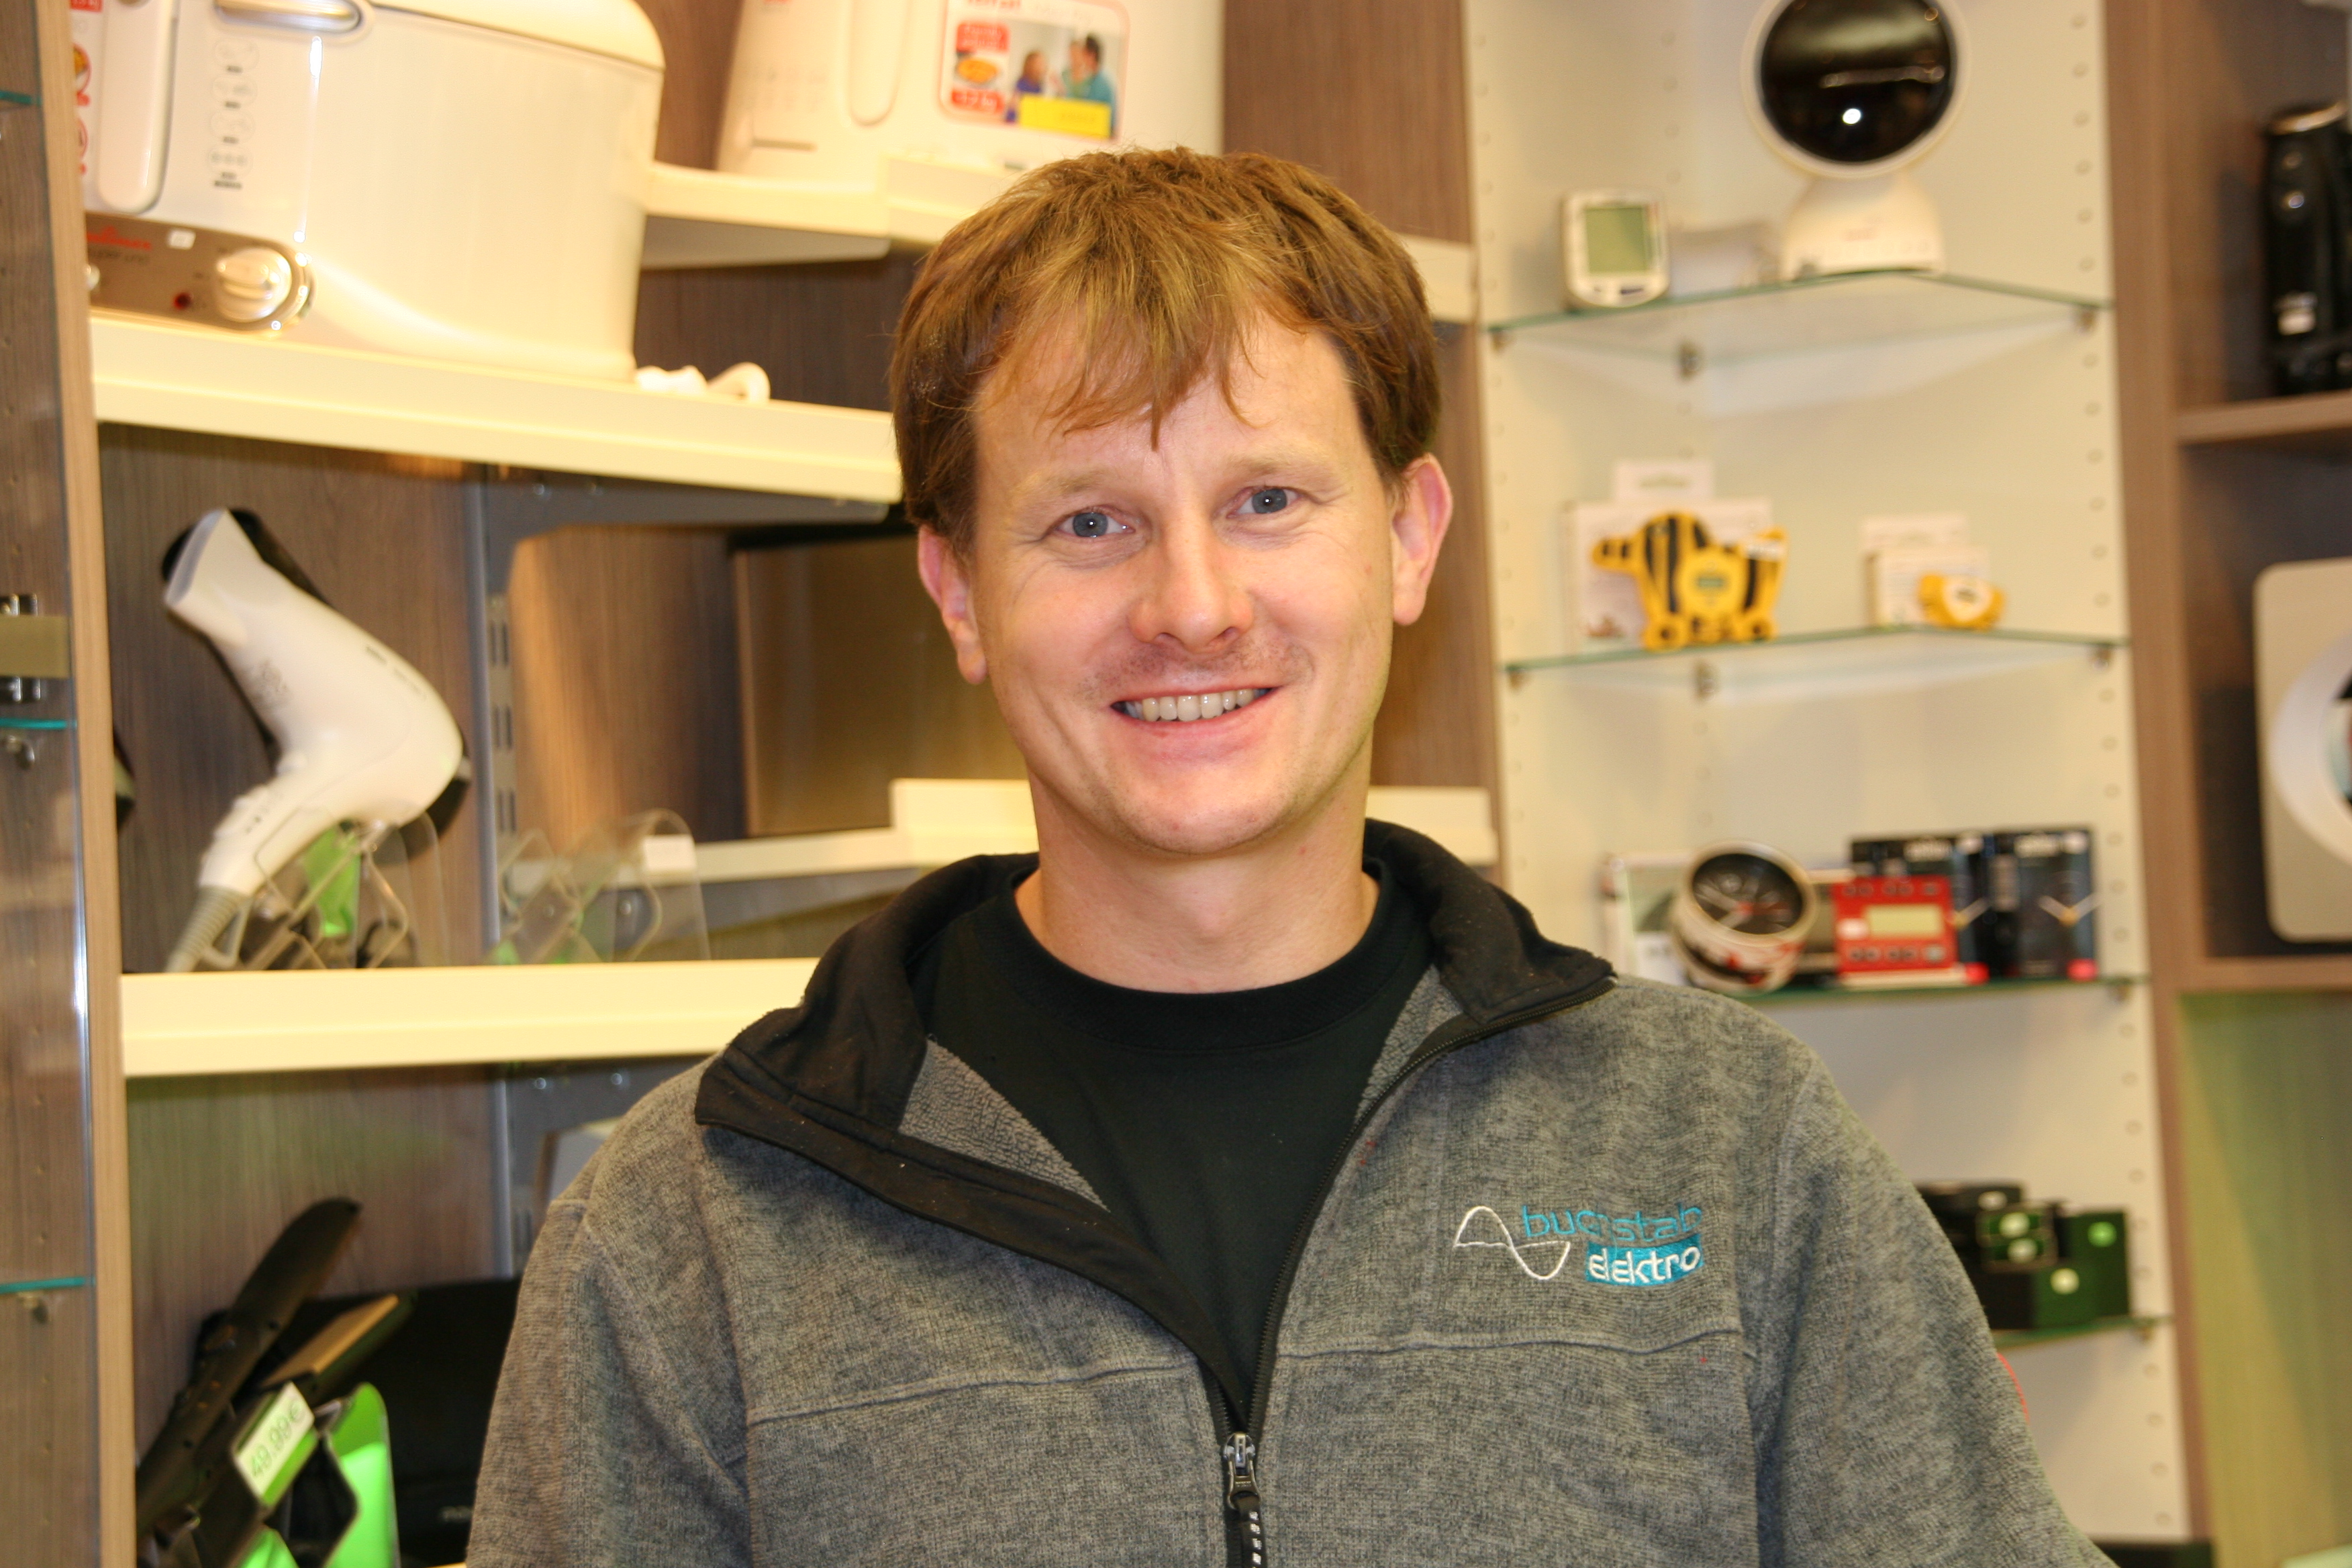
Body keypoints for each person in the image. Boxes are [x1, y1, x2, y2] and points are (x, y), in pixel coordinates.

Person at [470, 149, 2104, 1566]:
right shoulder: (695, 1228)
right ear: (959, 590)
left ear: (1406, 537)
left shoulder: (1729, 1149)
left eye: (1265, 499)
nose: (1192, 603)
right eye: (1090, 521)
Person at [1059, 32, 1116, 134]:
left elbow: (1085, 111)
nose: (1079, 58)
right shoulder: (1093, 78)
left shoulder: (1103, 81)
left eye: (1082, 53)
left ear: (1091, 55)